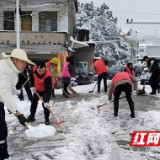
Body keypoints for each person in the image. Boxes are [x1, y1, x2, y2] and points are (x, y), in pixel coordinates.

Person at [0, 48, 35, 160]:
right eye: (23, 62)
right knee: (1, 130)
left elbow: (6, 90)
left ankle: (3, 154)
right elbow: (4, 92)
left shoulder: (12, 69)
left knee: (1, 130)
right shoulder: (4, 69)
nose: (25, 64)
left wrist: (14, 91)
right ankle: (3, 155)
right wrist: (18, 113)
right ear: (14, 59)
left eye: (26, 62)